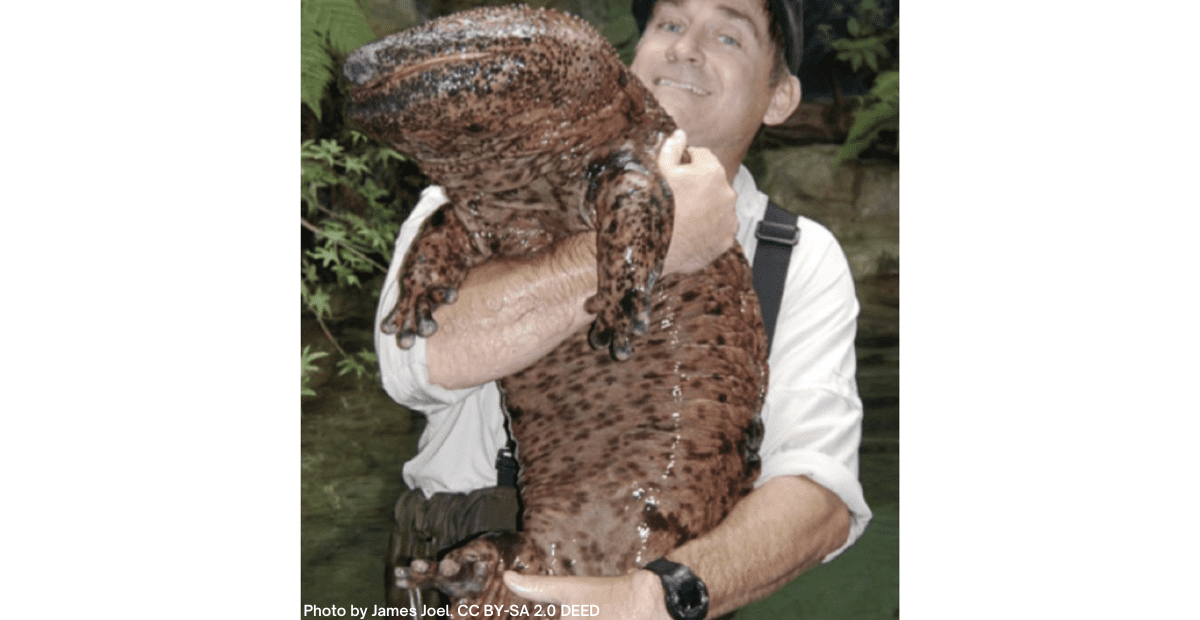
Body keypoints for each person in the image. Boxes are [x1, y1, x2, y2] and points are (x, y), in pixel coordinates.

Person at [375, 0, 873, 617]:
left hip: (666, 584)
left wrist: (657, 596)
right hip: (465, 579)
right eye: (668, 24)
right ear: (628, 58)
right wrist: (658, 243)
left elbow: (817, 497)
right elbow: (416, 361)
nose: (685, 48)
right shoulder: (486, 180)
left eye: (727, 36)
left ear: (780, 96)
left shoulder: (799, 257)